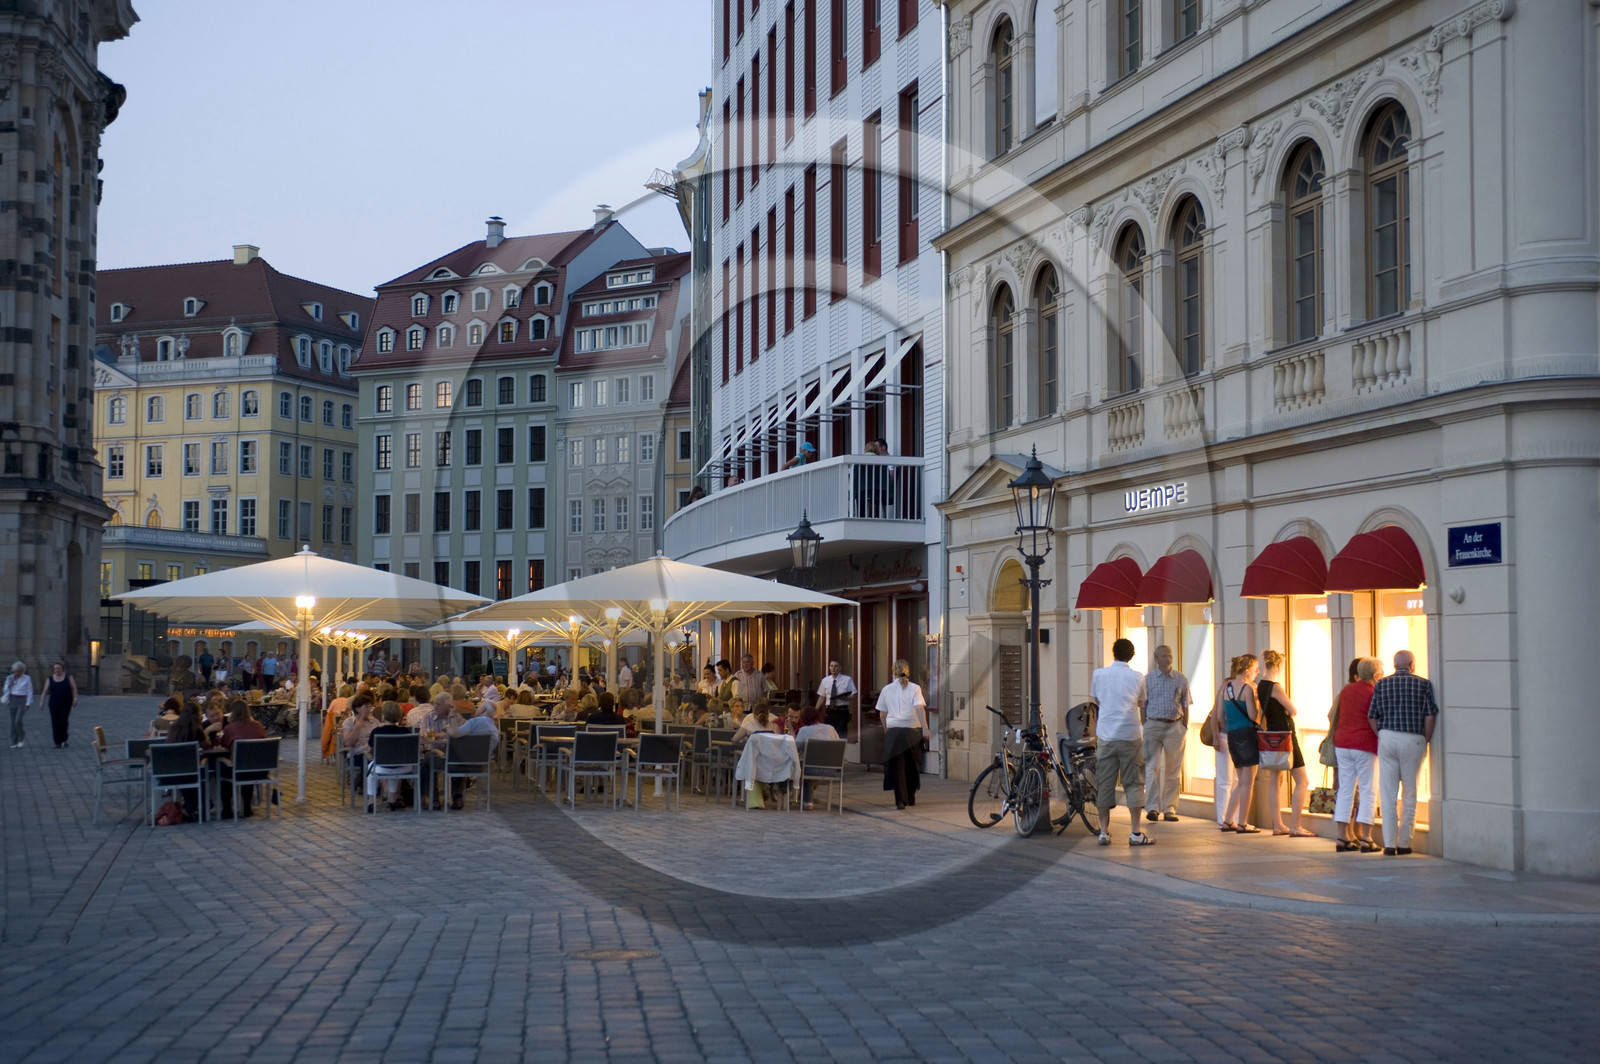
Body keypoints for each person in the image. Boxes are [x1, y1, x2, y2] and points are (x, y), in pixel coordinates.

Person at [1368, 649, 1438, 856]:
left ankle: (1389, 844)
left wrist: (1381, 734)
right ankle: (1405, 844)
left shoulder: (1381, 684)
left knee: (1388, 793)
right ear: (1412, 664)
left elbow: (1372, 716)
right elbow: (1430, 716)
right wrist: (1424, 738)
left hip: (1387, 737)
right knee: (1410, 793)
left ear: (1394, 665)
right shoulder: (1423, 684)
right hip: (1412, 737)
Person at [1089, 638, 1154, 846]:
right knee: (1134, 783)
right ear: (1131, 655)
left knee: (1104, 783)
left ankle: (1104, 832)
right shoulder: (1137, 677)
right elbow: (1142, 702)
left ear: (1113, 652)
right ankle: (1135, 832)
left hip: (1106, 736)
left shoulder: (1098, 674)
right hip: (1130, 735)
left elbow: (1096, 700)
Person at [1256, 649, 1314, 837]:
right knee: (1302, 780)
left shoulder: (1261, 686)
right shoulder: (1275, 686)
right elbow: (1292, 709)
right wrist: (1289, 711)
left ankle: (1278, 824)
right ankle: (1296, 825)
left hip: (1272, 734)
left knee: (1275, 779)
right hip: (1286, 736)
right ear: (1279, 665)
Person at [1333, 657, 1383, 853]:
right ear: (1375, 675)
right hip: (1364, 743)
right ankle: (1366, 838)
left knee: (1345, 789)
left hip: (1342, 743)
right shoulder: (1374, 692)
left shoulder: (1346, 690)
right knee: (1368, 790)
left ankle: (1342, 837)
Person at [1212, 654, 1263, 834]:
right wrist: (1257, 702)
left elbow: (1219, 716)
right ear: (1247, 671)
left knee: (1240, 782)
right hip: (1247, 735)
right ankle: (1242, 823)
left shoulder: (1226, 687)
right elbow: (1252, 715)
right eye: (1256, 669)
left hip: (1232, 735)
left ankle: (1227, 820)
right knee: (1247, 783)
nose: (1258, 672)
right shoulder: (1248, 689)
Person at [1140, 644, 1190, 824]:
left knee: (1173, 769)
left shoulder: (1180, 678)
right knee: (1152, 767)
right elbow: (1143, 704)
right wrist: (1145, 723)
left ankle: (1170, 808)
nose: (1168, 658)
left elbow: (1185, 703)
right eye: (1164, 656)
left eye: (1170, 655)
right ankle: (1152, 807)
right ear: (1156, 658)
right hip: (1153, 725)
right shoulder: (1148, 679)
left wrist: (1184, 725)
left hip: (1174, 726)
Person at [875, 659, 928, 810]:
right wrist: (925, 728)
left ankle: (900, 799)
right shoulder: (915, 688)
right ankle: (910, 796)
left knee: (897, 766)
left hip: (894, 731)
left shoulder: (886, 689)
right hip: (912, 730)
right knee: (912, 764)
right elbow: (919, 708)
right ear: (908, 671)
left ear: (893, 671)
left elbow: (882, 714)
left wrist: (886, 729)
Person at [218, 701, 269, 817]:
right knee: (247, 764)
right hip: (260, 770)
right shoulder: (258, 725)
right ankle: (247, 807)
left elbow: (224, 744)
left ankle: (226, 808)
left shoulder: (229, 728)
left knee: (224, 770)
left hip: (239, 772)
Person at [364, 701, 413, 811]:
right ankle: (392, 799)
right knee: (394, 763)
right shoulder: (405, 732)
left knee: (371, 771)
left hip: (383, 766)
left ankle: (371, 800)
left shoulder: (377, 732)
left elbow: (370, 750)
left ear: (383, 715)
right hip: (403, 768)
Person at [419, 692, 466, 809]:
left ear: (448, 706)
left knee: (457, 758)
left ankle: (457, 797)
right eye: (435, 703)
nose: (435, 706)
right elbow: (424, 734)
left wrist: (440, 734)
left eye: (439, 704)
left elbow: (463, 731)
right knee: (428, 760)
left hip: (451, 753)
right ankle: (434, 799)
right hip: (434, 752)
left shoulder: (455, 717)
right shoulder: (428, 717)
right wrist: (444, 734)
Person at [794, 705, 840, 810]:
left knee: (802, 765)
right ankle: (807, 797)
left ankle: (806, 801)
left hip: (811, 769)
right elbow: (837, 746)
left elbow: (796, 749)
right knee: (809, 764)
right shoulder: (830, 728)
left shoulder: (804, 730)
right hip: (831, 769)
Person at [814, 659, 858, 738]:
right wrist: (815, 710)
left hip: (842, 710)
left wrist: (844, 698)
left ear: (840, 668)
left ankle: (841, 748)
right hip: (830, 710)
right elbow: (821, 697)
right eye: (831, 666)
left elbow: (854, 695)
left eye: (836, 666)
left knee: (841, 733)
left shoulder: (847, 679)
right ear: (829, 667)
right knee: (828, 733)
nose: (833, 668)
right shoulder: (825, 680)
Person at [41, 661, 78, 749]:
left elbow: (74, 688)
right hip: (53, 703)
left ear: (62, 669)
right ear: (53, 670)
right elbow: (45, 691)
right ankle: (57, 741)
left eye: (59, 668)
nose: (57, 670)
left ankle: (64, 740)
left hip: (66, 703)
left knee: (63, 721)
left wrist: (75, 699)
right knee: (55, 722)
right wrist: (41, 701)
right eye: (55, 668)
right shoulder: (49, 679)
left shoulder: (68, 677)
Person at [4, 661, 33, 748]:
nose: (17, 673)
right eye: (15, 671)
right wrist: (9, 685)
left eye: (19, 671)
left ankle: (21, 736)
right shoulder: (10, 678)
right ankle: (14, 741)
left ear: (23, 671)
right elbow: (5, 689)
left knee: (18, 721)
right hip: (13, 699)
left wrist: (28, 703)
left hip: (22, 699)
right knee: (12, 722)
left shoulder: (27, 678)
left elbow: (30, 691)